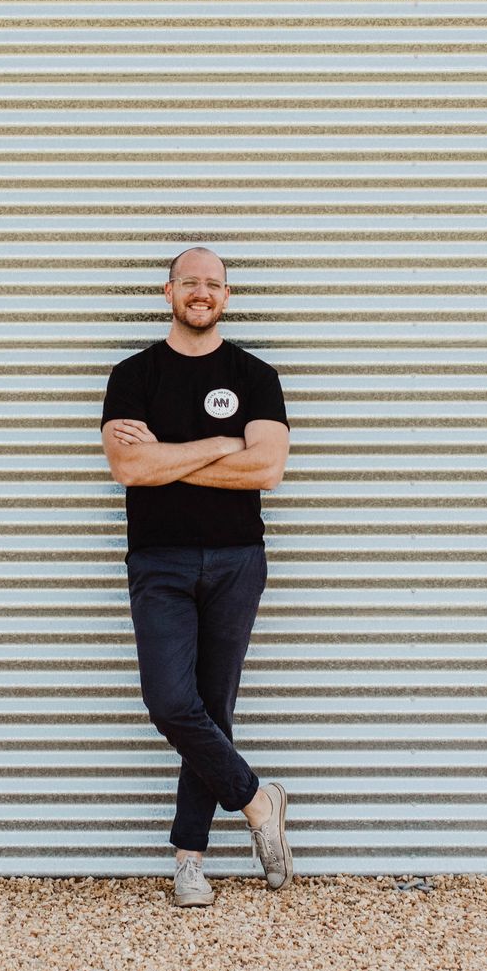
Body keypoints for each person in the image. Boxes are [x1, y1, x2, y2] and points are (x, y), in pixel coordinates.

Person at [100, 246, 294, 907]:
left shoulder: (257, 375)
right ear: (169, 291)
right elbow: (129, 470)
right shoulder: (131, 375)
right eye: (190, 282)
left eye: (213, 283)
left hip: (239, 559)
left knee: (213, 707)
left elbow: (266, 468)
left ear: (227, 296)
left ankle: (190, 858)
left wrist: (167, 456)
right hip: (160, 561)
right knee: (171, 702)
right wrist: (219, 444)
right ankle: (257, 799)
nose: (201, 292)